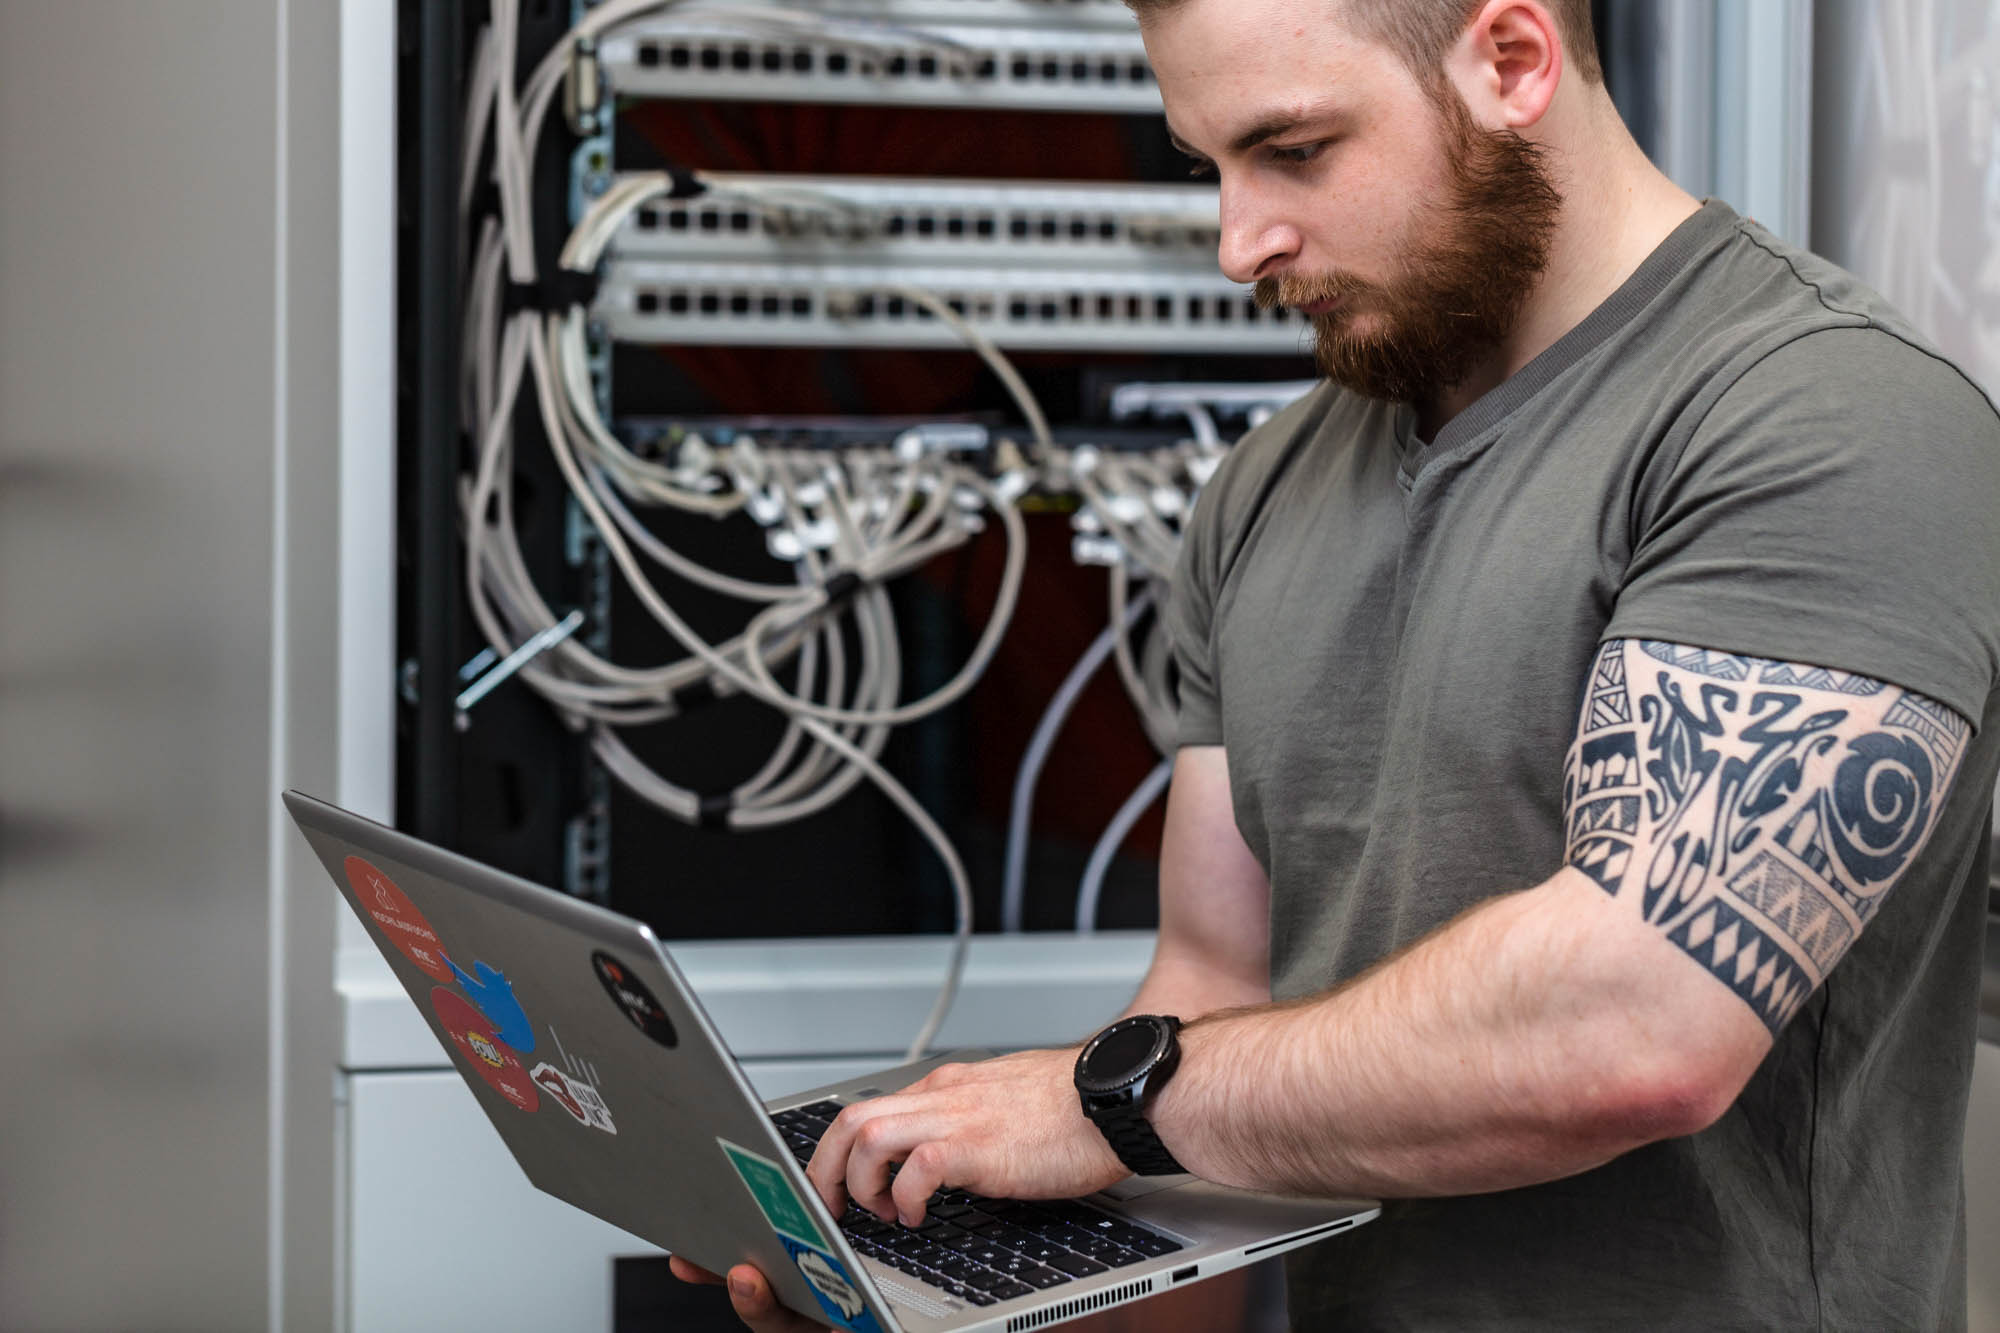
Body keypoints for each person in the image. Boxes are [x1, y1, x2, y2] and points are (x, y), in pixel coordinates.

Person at [674, 0, 2000, 1326]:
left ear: (1512, 59)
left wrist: (1093, 1098)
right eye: (1210, 166)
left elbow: (1636, 1033)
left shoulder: (1830, 422)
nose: (1238, 244)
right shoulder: (1264, 490)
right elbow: (1208, 1016)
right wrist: (953, 1299)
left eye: (1294, 150)